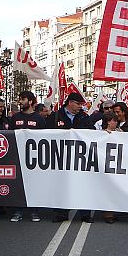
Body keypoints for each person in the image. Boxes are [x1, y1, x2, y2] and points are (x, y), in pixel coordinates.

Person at [51, 92, 95, 223]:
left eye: (81, 104)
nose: (80, 107)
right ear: (70, 102)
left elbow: (92, 133)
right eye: (78, 104)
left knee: (83, 185)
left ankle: (85, 214)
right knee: (62, 185)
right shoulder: (56, 116)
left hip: (80, 158)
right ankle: (61, 213)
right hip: (61, 157)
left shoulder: (84, 117)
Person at [9, 91, 47, 223]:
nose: (20, 101)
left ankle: (34, 211)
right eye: (19, 99)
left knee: (33, 185)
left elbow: (45, 138)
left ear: (30, 102)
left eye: (23, 99)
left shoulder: (39, 119)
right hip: (18, 157)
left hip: (34, 159)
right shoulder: (14, 118)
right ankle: (18, 210)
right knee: (18, 184)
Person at [101, 112, 123, 223]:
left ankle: (113, 212)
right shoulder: (101, 133)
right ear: (109, 122)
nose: (116, 123)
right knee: (108, 189)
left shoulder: (120, 132)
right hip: (106, 165)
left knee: (116, 189)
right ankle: (108, 214)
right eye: (114, 121)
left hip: (117, 165)